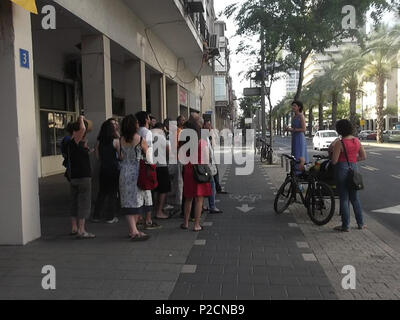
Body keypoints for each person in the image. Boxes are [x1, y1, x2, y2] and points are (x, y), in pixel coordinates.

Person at [119, 115, 152, 241]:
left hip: (124, 171)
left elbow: (121, 156)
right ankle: (134, 231)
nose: (138, 124)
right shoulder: (140, 139)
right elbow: (148, 154)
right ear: (134, 125)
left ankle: (133, 229)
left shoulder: (121, 139)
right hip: (136, 171)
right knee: (137, 201)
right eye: (137, 122)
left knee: (127, 201)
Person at [331, 119, 367, 232]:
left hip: (342, 170)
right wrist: (352, 160)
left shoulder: (339, 143)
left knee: (344, 198)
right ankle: (360, 223)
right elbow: (363, 156)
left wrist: (332, 148)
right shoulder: (356, 141)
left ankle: (345, 225)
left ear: (339, 130)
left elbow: (334, 161)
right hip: (354, 169)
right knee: (355, 199)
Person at [181, 114, 212, 231]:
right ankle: (197, 224)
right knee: (199, 199)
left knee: (188, 197)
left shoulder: (185, 140)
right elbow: (206, 158)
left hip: (189, 169)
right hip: (199, 170)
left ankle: (185, 223)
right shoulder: (202, 141)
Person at [67, 116, 95, 239]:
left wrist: (88, 151)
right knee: (84, 203)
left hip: (74, 177)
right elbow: (83, 128)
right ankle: (81, 230)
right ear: (76, 131)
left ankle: (74, 227)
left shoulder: (70, 143)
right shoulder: (75, 141)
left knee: (74, 202)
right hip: (83, 177)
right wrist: (81, 118)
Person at [91, 119, 120, 224]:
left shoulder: (98, 142)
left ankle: (96, 215)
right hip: (113, 169)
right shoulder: (116, 141)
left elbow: (97, 157)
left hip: (103, 168)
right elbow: (121, 156)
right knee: (113, 193)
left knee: (102, 192)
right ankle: (110, 216)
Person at [135, 111, 160, 230]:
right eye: (149, 118)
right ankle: (148, 220)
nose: (150, 119)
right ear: (146, 119)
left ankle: (139, 218)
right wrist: (152, 164)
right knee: (148, 192)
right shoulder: (147, 132)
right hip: (146, 164)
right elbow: (148, 149)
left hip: (137, 164)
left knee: (139, 193)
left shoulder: (136, 132)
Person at [151, 122, 171, 219]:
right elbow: (168, 151)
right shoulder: (163, 136)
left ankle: (155, 208)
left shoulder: (148, 134)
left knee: (154, 188)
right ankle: (159, 211)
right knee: (163, 189)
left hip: (151, 165)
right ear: (162, 128)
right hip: (162, 165)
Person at [203, 120, 222, 214]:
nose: (210, 125)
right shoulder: (203, 135)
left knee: (206, 184)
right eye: (208, 124)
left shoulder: (206, 134)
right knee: (212, 184)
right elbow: (207, 152)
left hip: (208, 163)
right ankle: (212, 206)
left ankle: (205, 205)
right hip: (206, 165)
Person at [285, 100, 309, 173]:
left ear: (299, 107)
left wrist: (292, 129)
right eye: (292, 106)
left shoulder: (301, 116)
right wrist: (288, 129)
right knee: (294, 155)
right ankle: (295, 175)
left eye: (295, 106)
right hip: (294, 137)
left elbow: (304, 129)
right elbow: (293, 129)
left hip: (299, 138)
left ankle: (300, 174)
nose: (293, 107)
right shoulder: (294, 116)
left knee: (300, 155)